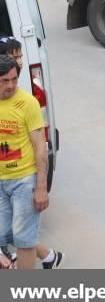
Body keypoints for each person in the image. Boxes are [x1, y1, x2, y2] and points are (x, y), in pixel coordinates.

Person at [0, 55, 52, 270]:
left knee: (24, 240)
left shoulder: (28, 103)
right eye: (4, 80)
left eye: (14, 79)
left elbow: (41, 146)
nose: (11, 85)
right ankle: (50, 257)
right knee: (5, 234)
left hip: (24, 181)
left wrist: (41, 188)